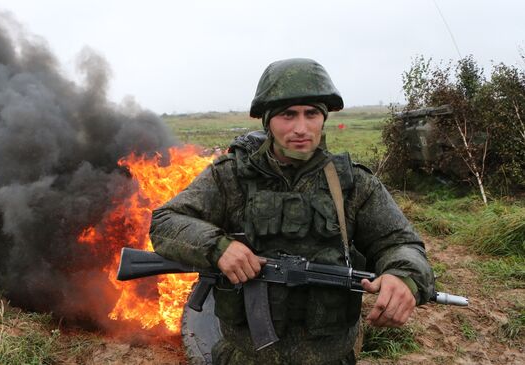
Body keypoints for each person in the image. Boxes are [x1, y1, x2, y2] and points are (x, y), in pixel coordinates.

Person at [150, 58, 435, 365]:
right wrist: (218, 247)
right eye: (288, 115)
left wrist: (403, 276)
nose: (301, 128)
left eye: (311, 114)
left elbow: (400, 243)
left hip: (330, 357)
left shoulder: (352, 184)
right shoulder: (230, 177)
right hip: (243, 357)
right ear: (268, 121)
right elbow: (165, 222)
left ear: (323, 118)